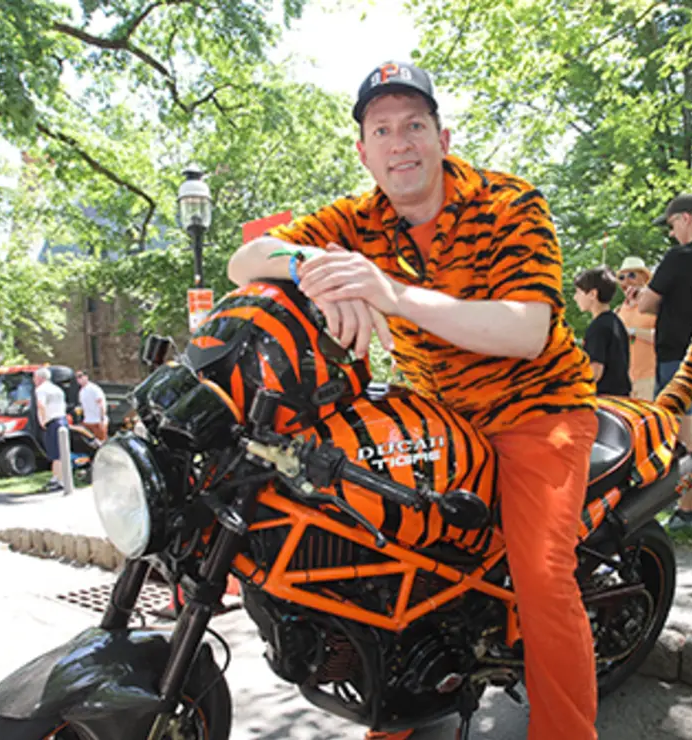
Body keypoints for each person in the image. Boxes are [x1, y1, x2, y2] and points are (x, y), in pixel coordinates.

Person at [226, 61, 600, 740]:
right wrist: (311, 268)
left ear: (443, 136)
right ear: (363, 150)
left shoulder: (512, 203)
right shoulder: (356, 219)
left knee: (542, 577)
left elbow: (526, 329)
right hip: (435, 414)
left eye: (415, 126)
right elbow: (244, 260)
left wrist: (390, 294)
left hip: (537, 409)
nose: (400, 143)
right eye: (383, 129)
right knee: (379, 547)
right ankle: (397, 707)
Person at [634, 194, 692, 532]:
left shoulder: (679, 257)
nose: (671, 234)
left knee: (682, 431)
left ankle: (686, 512)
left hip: (675, 354)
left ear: (685, 218)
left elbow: (647, 305)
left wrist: (643, 295)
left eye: (671, 225)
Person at [574, 267, 632, 397]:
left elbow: (595, 372)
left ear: (593, 294)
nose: (575, 297)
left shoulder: (598, 327)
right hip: (622, 397)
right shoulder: (615, 321)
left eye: (578, 292)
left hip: (605, 400)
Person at [614, 256, 656, 401]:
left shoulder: (653, 307)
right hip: (623, 381)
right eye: (621, 277)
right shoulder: (618, 311)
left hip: (650, 378)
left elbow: (663, 337)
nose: (626, 280)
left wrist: (632, 332)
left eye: (631, 275)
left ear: (644, 278)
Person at [34, 367, 68, 493]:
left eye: (35, 377)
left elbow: (41, 405)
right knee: (62, 451)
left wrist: (42, 420)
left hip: (52, 422)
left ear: (40, 378)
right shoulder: (57, 389)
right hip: (62, 420)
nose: (34, 380)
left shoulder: (41, 389)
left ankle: (59, 480)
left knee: (55, 453)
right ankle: (59, 478)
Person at [76, 371, 109, 441]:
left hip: (97, 421)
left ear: (86, 377)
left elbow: (101, 404)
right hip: (87, 422)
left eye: (81, 376)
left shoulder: (94, 389)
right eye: (77, 377)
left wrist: (102, 419)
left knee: (101, 442)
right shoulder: (81, 391)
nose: (79, 379)